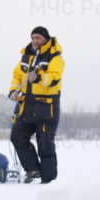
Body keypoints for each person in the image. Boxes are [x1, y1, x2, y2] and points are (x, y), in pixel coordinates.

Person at [8, 27, 65, 184]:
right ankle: (33, 170)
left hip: (46, 109)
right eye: (33, 37)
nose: (35, 41)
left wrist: (39, 77)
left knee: (45, 145)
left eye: (38, 38)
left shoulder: (55, 57)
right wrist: (13, 91)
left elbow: (54, 78)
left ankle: (48, 181)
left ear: (46, 39)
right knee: (17, 136)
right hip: (26, 107)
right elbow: (17, 76)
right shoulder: (26, 57)